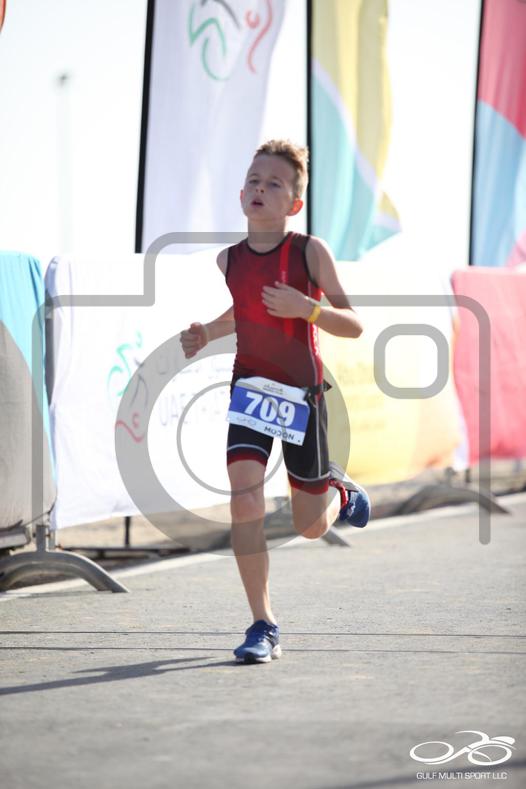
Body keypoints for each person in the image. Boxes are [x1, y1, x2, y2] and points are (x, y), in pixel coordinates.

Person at [180, 139, 370, 664]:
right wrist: (207, 332)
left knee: (311, 526)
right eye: (254, 181)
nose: (261, 189)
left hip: (302, 396)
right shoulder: (229, 260)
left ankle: (338, 492)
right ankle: (263, 624)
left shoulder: (309, 252)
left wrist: (308, 308)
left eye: (274, 183)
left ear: (294, 203)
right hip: (251, 390)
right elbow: (245, 312)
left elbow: (354, 324)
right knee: (244, 500)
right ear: (241, 194)